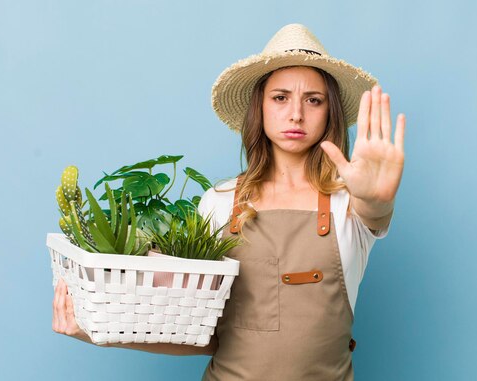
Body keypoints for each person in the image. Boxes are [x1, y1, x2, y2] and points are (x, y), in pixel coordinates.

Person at [52, 23, 405, 380]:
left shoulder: (351, 202)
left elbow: (374, 212)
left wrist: (376, 198)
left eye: (314, 100)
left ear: (330, 112)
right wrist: (97, 331)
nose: (296, 113)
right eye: (280, 97)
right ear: (260, 107)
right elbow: (196, 334)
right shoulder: (219, 203)